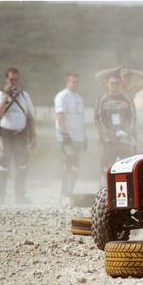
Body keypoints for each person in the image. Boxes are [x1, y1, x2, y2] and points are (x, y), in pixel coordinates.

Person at [0, 67, 37, 204]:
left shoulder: (24, 95)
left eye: (16, 80)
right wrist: (6, 95)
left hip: (21, 134)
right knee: (3, 164)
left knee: (22, 164)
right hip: (6, 134)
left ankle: (20, 196)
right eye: (12, 80)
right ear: (6, 79)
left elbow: (30, 116)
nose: (14, 82)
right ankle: (1, 196)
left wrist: (33, 135)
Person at [95, 73, 137, 187]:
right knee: (106, 167)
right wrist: (107, 134)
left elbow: (133, 117)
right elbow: (97, 119)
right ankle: (104, 191)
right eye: (112, 83)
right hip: (107, 140)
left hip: (124, 139)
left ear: (120, 85)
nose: (115, 86)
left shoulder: (127, 99)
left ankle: (126, 190)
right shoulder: (102, 99)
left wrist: (127, 132)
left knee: (126, 166)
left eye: (117, 84)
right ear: (108, 84)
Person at [54, 72, 87, 202]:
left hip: (78, 136)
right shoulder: (62, 96)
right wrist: (65, 134)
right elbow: (60, 116)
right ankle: (64, 193)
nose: (75, 84)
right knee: (68, 162)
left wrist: (85, 137)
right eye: (72, 81)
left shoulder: (79, 98)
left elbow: (81, 119)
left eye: (77, 82)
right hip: (67, 137)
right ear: (67, 81)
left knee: (76, 165)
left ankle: (70, 191)